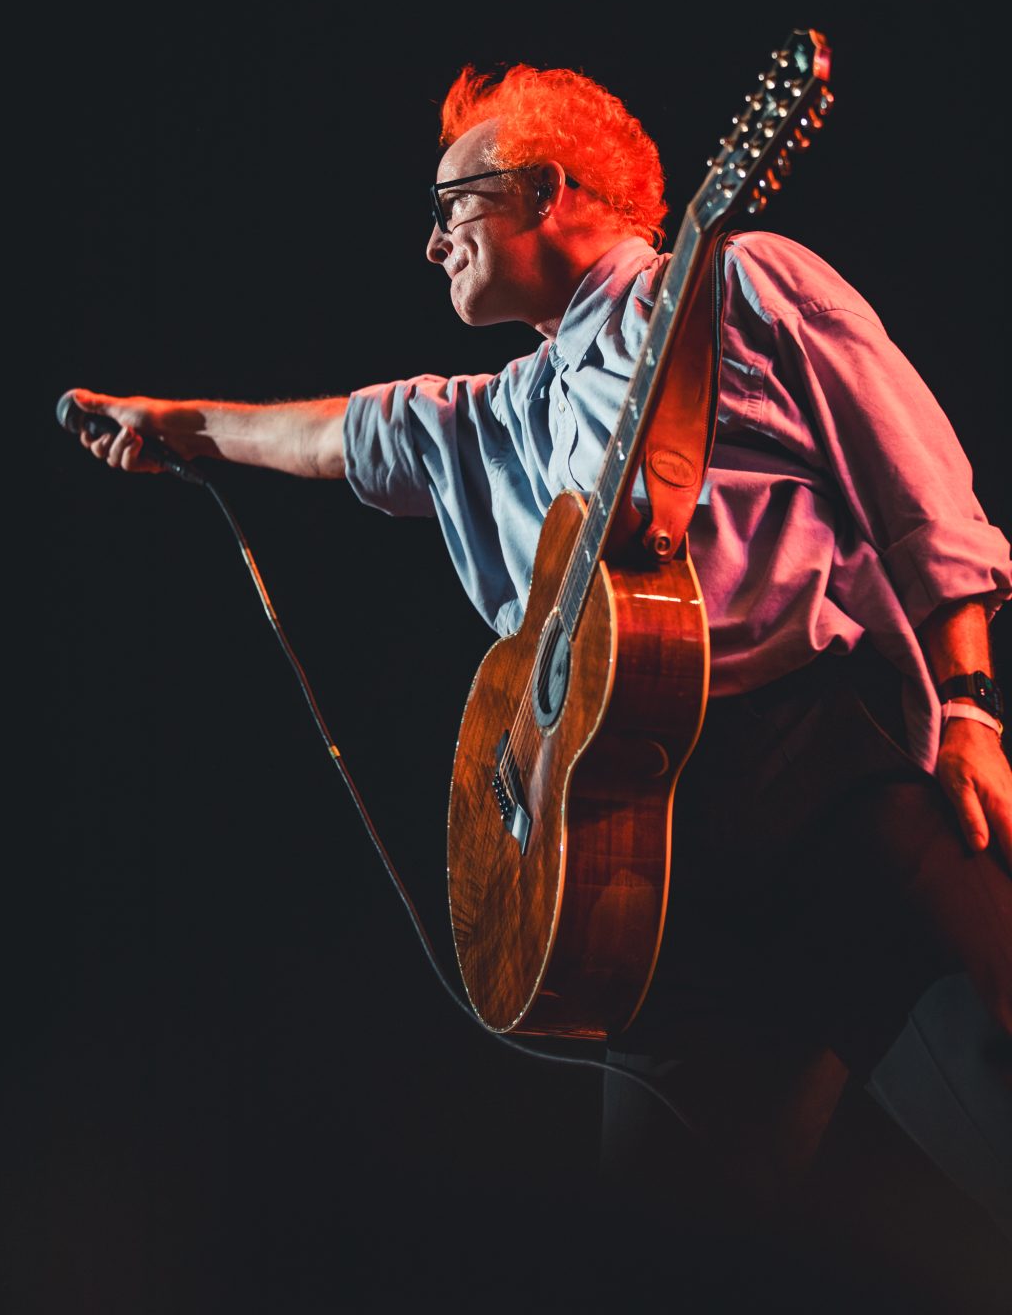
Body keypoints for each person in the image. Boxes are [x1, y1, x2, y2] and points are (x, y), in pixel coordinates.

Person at [66, 63, 1012, 1273]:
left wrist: (972, 704)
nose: (430, 242)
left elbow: (918, 485)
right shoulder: (497, 416)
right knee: (653, 1255)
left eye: (449, 203)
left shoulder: (741, 283)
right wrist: (173, 423)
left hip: (826, 783)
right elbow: (333, 433)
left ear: (550, 191)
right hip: (647, 881)